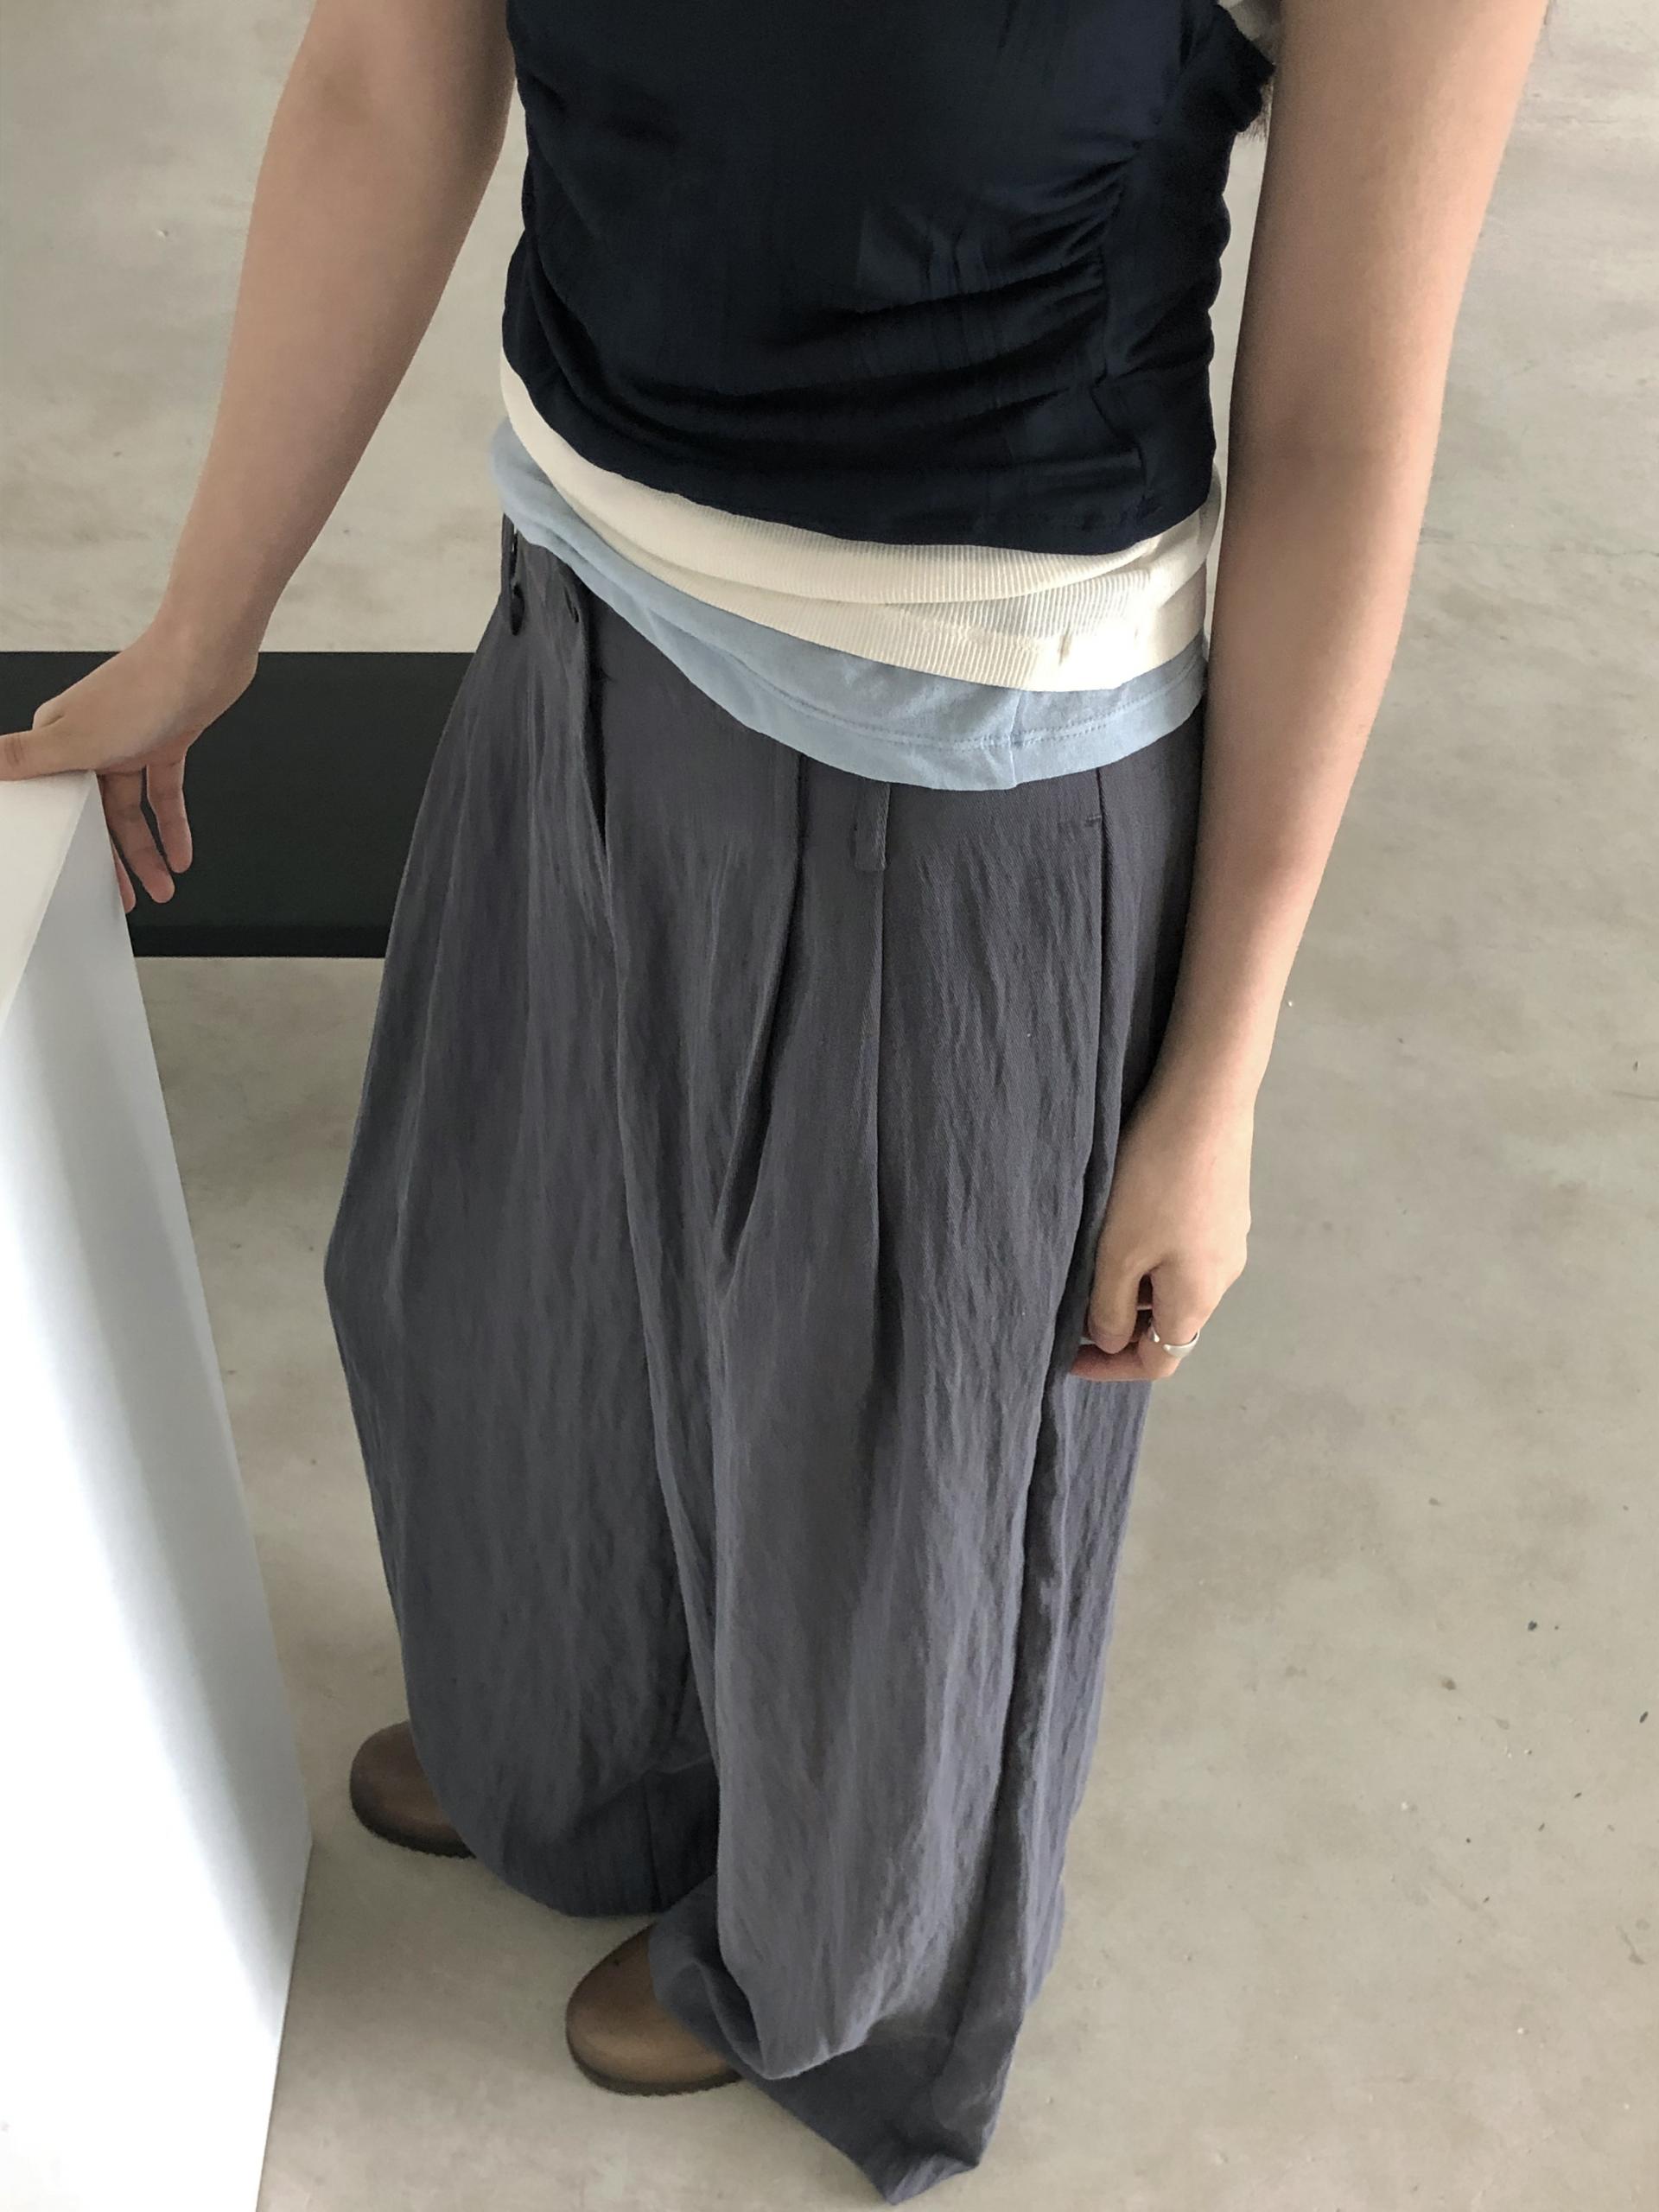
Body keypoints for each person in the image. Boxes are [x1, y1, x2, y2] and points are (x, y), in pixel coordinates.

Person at [1, 0, 1551, 2198]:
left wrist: (1219, 1067)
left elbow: (1336, 429)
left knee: (879, 1496)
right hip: (577, 609)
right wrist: (203, 622)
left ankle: (822, 1968)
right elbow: (389, 75)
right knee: (504, 1311)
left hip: (969, 757)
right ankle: (576, 1766)